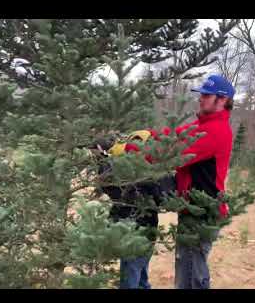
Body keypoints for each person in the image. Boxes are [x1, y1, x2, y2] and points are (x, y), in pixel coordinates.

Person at [172, 74, 235, 289]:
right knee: (187, 269)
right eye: (202, 95)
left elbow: (172, 151)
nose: (201, 98)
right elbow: (171, 136)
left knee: (192, 277)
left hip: (202, 212)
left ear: (222, 100)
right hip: (192, 209)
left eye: (207, 95)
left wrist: (132, 149)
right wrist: (140, 137)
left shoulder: (215, 131)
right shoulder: (202, 125)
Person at [95, 131, 176, 289]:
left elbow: (165, 198)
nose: (134, 150)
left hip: (140, 229)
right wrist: (102, 160)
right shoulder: (124, 167)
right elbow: (110, 188)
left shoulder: (155, 172)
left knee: (132, 276)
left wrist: (147, 184)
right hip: (135, 228)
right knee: (139, 274)